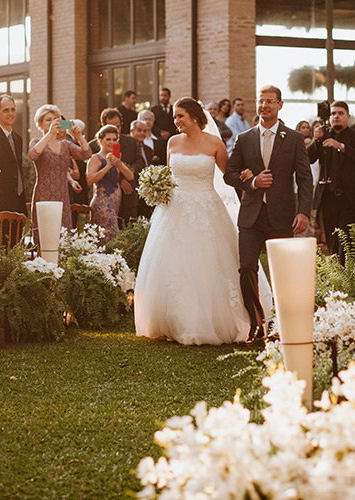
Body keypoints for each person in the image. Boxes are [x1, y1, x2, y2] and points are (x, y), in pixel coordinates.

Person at [136, 97, 253, 345]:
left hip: (206, 208)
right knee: (174, 263)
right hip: (174, 209)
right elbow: (169, 175)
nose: (176, 121)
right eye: (175, 116)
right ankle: (174, 320)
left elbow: (229, 175)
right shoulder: (172, 142)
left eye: (180, 116)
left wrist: (247, 177)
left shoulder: (214, 143)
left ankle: (206, 320)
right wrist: (156, 186)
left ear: (195, 117)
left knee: (207, 261)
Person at [225, 86, 314, 343]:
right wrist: (252, 182)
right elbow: (229, 173)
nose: (264, 106)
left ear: (280, 105)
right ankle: (256, 323)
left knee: (282, 273)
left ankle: (280, 324)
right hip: (251, 217)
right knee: (246, 268)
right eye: (261, 101)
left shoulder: (295, 138)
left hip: (282, 217)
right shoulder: (244, 138)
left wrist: (304, 212)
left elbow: (305, 179)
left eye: (270, 102)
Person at [307, 101, 355, 263]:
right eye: (333, 113)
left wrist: (341, 146)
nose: (336, 117)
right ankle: (336, 281)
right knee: (332, 244)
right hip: (328, 198)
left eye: (340, 113)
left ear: (348, 117)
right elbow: (309, 158)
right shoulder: (324, 134)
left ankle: (348, 282)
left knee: (347, 244)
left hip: (351, 199)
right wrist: (316, 140)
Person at [28, 103, 91, 246]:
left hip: (62, 195)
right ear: (40, 124)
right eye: (48, 120)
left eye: (55, 119)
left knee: (63, 239)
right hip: (43, 195)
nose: (52, 122)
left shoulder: (66, 145)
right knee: (43, 240)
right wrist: (50, 134)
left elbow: (87, 154)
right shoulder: (36, 141)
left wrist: (79, 136)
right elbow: (33, 155)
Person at [87, 125, 134, 243]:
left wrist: (118, 163)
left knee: (109, 239)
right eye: (108, 139)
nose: (111, 142)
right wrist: (107, 166)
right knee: (109, 238)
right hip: (102, 204)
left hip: (115, 204)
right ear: (100, 140)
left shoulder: (115, 159)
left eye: (114, 139)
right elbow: (89, 180)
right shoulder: (95, 158)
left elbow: (130, 176)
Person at [0, 94, 27, 214]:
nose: (11, 113)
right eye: (6, 110)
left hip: (18, 202)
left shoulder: (18, 139)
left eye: (13, 109)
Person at [129, 119, 155, 219]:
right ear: (132, 131)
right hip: (131, 192)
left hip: (146, 195)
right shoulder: (126, 148)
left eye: (145, 131)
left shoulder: (148, 150)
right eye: (139, 130)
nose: (142, 133)